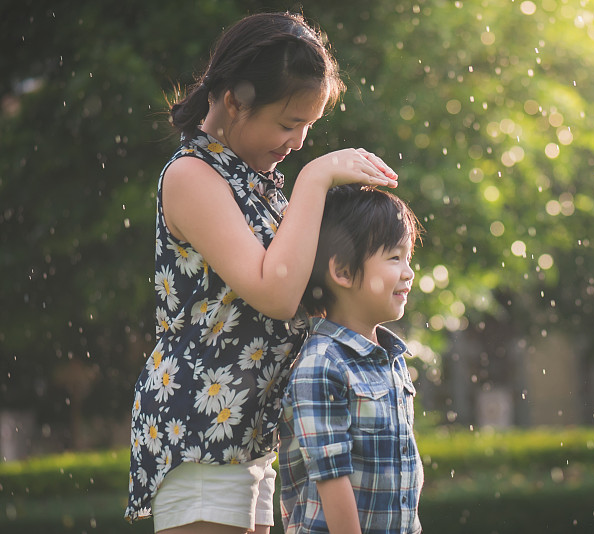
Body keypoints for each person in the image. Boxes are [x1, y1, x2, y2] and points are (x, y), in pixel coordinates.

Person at [125, 12, 399, 534]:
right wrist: (316, 177)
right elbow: (274, 293)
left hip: (249, 438)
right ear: (235, 100)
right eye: (288, 123)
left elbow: (304, 288)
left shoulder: (259, 182)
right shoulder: (192, 175)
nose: (297, 143)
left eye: (308, 128)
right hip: (201, 429)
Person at [279, 185, 424, 534]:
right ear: (342, 271)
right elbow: (333, 481)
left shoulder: (391, 359)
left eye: (409, 258)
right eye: (394, 258)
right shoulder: (322, 364)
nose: (408, 272)